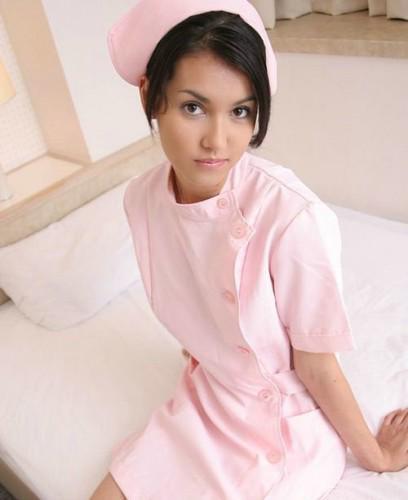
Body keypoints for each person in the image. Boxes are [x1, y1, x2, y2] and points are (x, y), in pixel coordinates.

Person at [91, 1, 408, 498]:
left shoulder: (292, 218)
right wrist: (209, 350)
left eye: (240, 111)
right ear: (150, 96)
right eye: (193, 107)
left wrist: (377, 455)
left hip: (281, 420)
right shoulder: (143, 199)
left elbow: (316, 363)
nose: (217, 141)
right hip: (208, 396)